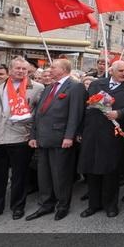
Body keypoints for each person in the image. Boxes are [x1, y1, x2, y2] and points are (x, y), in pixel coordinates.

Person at [0, 57, 44, 223]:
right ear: (10, 70)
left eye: (24, 69)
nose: (21, 71)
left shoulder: (36, 88)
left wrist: (26, 121)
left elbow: (39, 114)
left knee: (19, 177)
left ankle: (18, 207)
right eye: (17, 68)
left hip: (19, 137)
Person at [78, 61, 124, 219]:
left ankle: (110, 205)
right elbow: (86, 106)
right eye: (121, 70)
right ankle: (93, 204)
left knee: (110, 171)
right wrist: (80, 131)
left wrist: (119, 113)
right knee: (92, 170)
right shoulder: (97, 84)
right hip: (92, 132)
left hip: (113, 134)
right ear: (111, 71)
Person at [26, 58, 85, 221]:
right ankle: (46, 204)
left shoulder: (75, 86)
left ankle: (62, 205)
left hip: (61, 138)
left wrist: (69, 136)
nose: (49, 70)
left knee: (61, 175)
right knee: (44, 174)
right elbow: (39, 113)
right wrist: (33, 135)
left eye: (53, 67)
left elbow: (76, 114)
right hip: (43, 138)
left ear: (64, 69)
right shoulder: (50, 87)